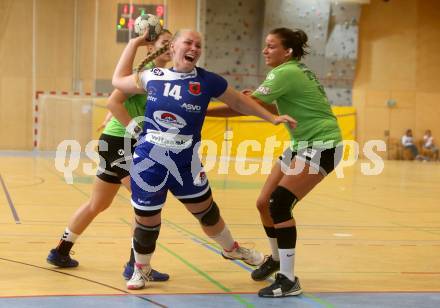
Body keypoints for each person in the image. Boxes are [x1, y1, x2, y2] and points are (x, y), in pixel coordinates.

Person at [111, 28, 298, 290]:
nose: (195, 48)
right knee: (147, 221)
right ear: (173, 46)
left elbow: (240, 103)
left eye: (199, 45)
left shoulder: (208, 81)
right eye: (188, 42)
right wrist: (133, 43)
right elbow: (118, 80)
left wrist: (271, 118)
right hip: (149, 162)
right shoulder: (153, 75)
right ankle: (141, 269)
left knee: (208, 214)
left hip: (186, 163)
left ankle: (232, 249)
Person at [207, 28, 343, 297]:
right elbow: (268, 107)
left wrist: (201, 113)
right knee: (263, 203)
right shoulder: (292, 71)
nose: (264, 51)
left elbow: (244, 106)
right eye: (265, 45)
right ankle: (277, 258)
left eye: (271, 46)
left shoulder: (284, 72)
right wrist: (250, 101)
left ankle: (289, 279)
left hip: (322, 144)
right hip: (300, 145)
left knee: (279, 204)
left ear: (287, 51)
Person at [46, 30, 173, 282]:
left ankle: (60, 252)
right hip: (120, 143)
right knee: (144, 203)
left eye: (172, 42)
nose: (170, 46)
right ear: (150, 48)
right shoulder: (143, 74)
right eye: (164, 42)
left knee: (98, 204)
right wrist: (137, 131)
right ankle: (134, 266)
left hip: (116, 142)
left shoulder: (162, 77)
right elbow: (113, 102)